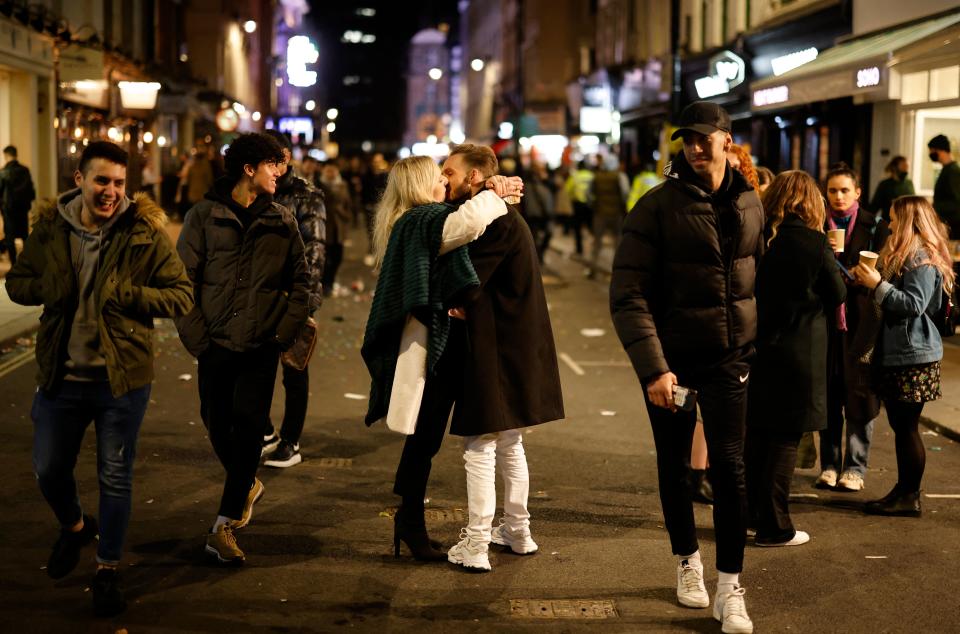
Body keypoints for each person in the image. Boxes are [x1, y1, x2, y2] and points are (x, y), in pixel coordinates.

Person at [5, 141, 193, 616]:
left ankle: (108, 568)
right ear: (80, 181)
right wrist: (51, 287)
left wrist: (128, 294)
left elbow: (180, 295)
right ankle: (73, 527)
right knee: (48, 469)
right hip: (60, 377)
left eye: (119, 183)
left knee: (115, 477)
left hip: (121, 379)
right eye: (101, 181)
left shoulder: (145, 231)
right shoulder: (50, 228)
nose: (111, 192)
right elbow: (17, 283)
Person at [610, 101, 762, 633]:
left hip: (730, 359)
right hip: (671, 364)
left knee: (731, 468)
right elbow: (628, 294)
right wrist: (654, 368)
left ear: (726, 139)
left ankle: (731, 586)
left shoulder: (749, 201)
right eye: (686, 140)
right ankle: (687, 563)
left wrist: (753, 343)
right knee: (675, 466)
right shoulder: (656, 207)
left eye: (704, 138)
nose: (695, 148)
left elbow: (754, 279)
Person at [361, 155, 520, 563]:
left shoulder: (419, 219)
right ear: (420, 184)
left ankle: (409, 519)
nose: (445, 183)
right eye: (439, 176)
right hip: (433, 345)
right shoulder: (420, 220)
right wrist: (495, 193)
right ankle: (410, 521)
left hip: (440, 342)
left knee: (426, 437)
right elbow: (463, 226)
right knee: (425, 436)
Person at [175, 133, 310, 565]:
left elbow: (303, 285)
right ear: (248, 168)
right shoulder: (203, 216)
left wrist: (279, 336)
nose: (282, 172)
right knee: (215, 420)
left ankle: (224, 525)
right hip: (214, 342)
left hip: (260, 344)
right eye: (274, 164)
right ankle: (245, 481)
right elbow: (181, 283)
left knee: (250, 425)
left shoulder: (282, 221)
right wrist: (198, 339)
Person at [440, 143, 565, 572]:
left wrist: (455, 299)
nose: (445, 178)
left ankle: (476, 544)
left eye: (450, 171)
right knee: (510, 442)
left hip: (495, 347)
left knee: (481, 444)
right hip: (517, 345)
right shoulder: (505, 215)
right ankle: (517, 531)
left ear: (475, 176)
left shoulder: (495, 220)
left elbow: (468, 277)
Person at [745, 171, 846, 547]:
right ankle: (775, 526)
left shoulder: (760, 238)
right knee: (786, 438)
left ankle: (751, 516)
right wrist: (833, 261)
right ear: (811, 201)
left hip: (760, 348)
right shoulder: (813, 242)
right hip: (800, 352)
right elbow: (836, 294)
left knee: (758, 435)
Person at [851, 196, 954, 516]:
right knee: (901, 424)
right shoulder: (911, 255)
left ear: (909, 220)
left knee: (907, 426)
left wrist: (878, 284)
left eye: (895, 219)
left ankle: (909, 496)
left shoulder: (921, 258)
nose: (891, 224)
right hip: (904, 353)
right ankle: (904, 491)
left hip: (914, 355)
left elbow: (915, 304)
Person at [817, 163, 890, 493]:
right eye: (833, 190)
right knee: (829, 394)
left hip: (862, 322)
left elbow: (888, 271)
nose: (838, 196)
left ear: (857, 192)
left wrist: (873, 278)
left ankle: (855, 468)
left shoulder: (874, 225)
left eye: (845, 190)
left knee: (861, 395)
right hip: (826, 322)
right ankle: (829, 464)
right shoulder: (817, 223)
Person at [260, 130, 326, 468]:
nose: (276, 167)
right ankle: (267, 432)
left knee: (294, 368)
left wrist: (304, 301)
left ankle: (291, 440)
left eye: (279, 160)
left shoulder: (306, 195)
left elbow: (315, 252)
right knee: (258, 368)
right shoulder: (256, 192)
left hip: (294, 296)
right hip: (261, 296)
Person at [587, 156, 629, 278]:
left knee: (597, 243)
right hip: (616, 213)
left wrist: (595, 204)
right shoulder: (620, 176)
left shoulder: (596, 176)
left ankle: (592, 269)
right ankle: (618, 272)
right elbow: (625, 193)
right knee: (617, 242)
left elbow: (589, 195)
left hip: (599, 214)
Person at [318, 160, 353, 296]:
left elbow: (348, 204)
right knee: (325, 259)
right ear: (323, 170)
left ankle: (330, 282)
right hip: (324, 227)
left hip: (339, 227)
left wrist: (345, 215)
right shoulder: (318, 185)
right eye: (328, 170)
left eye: (333, 170)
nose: (331, 172)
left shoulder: (342, 185)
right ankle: (325, 284)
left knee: (338, 257)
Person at [0, 145, 36, 265]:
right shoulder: (25, 171)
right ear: (16, 155)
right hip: (22, 210)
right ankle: (26, 263)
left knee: (10, 239)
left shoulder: (3, 172)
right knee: (24, 236)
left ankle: (14, 265)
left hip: (8, 211)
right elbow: (31, 192)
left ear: (6, 155)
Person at [520, 162, 554, 263]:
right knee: (539, 236)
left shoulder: (538, 183)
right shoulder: (537, 184)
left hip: (533, 214)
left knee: (536, 237)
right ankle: (537, 257)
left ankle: (537, 257)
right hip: (538, 214)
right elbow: (546, 198)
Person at [927, 134, 960, 238]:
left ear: (939, 150)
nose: (930, 154)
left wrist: (933, 206)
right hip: (947, 224)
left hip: (954, 227)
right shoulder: (946, 170)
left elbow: (956, 202)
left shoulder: (953, 171)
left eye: (931, 151)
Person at [564, 160, 594, 256]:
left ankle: (579, 249)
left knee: (577, 228)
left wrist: (572, 197)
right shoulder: (591, 175)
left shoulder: (575, 176)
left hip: (578, 205)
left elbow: (567, 189)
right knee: (591, 227)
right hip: (590, 205)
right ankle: (593, 249)